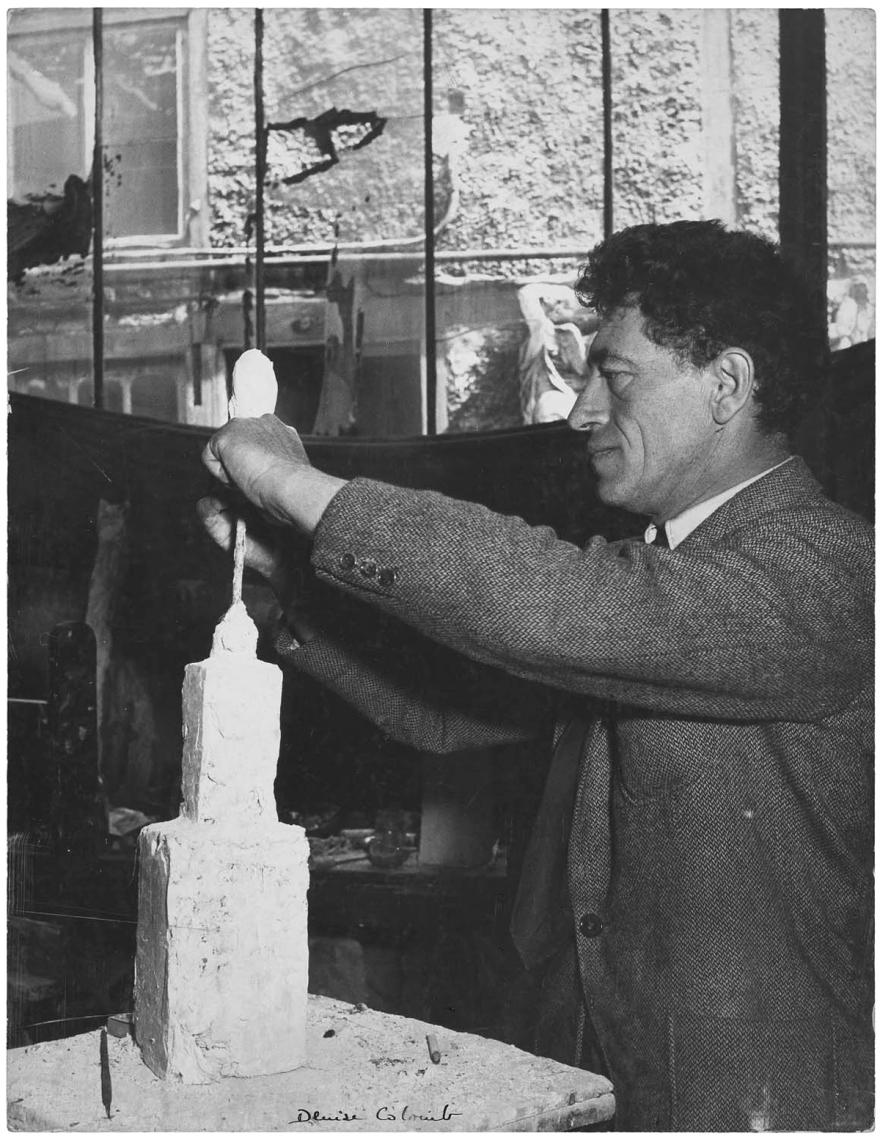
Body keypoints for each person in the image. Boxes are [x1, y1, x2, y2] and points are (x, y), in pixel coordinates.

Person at [198, 220, 873, 1131]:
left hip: (751, 1103)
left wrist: (295, 486)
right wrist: (284, 592)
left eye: (615, 375)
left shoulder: (832, 569)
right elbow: (451, 712)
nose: (581, 410)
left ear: (728, 385)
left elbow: (552, 602)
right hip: (594, 1069)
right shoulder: (667, 578)